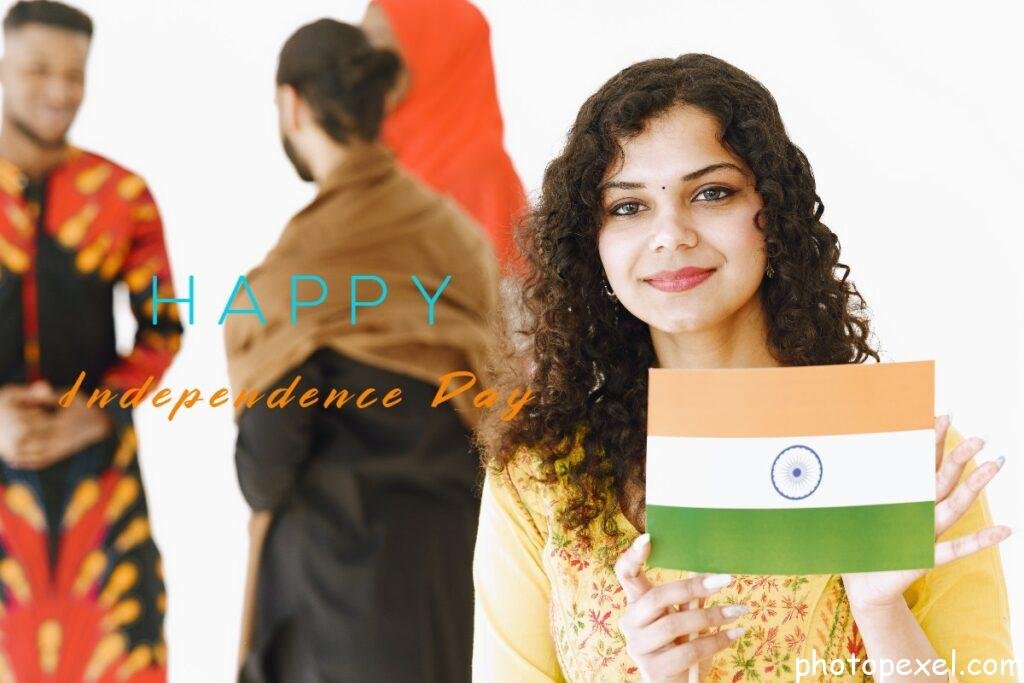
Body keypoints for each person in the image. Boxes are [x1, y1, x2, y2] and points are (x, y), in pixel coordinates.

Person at [472, 54, 1015, 682]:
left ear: (774, 213)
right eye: (628, 206)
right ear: (591, 240)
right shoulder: (541, 476)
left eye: (711, 193)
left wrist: (878, 609)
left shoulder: (908, 458)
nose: (670, 234)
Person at [225, 19, 500, 683]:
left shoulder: (288, 277)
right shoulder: (460, 241)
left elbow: (266, 468)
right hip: (453, 580)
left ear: (291, 104)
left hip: (332, 600)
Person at [0, 1, 181, 680]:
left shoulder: (123, 194)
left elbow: (162, 329)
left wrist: (96, 408)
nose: (59, 91)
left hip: (100, 490)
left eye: (74, 74)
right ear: (3, 66)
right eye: (39, 69)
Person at [361, 0, 526, 270]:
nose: (359, 58)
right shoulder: (371, 154)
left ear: (431, 51)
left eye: (376, 37)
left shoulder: (478, 170)